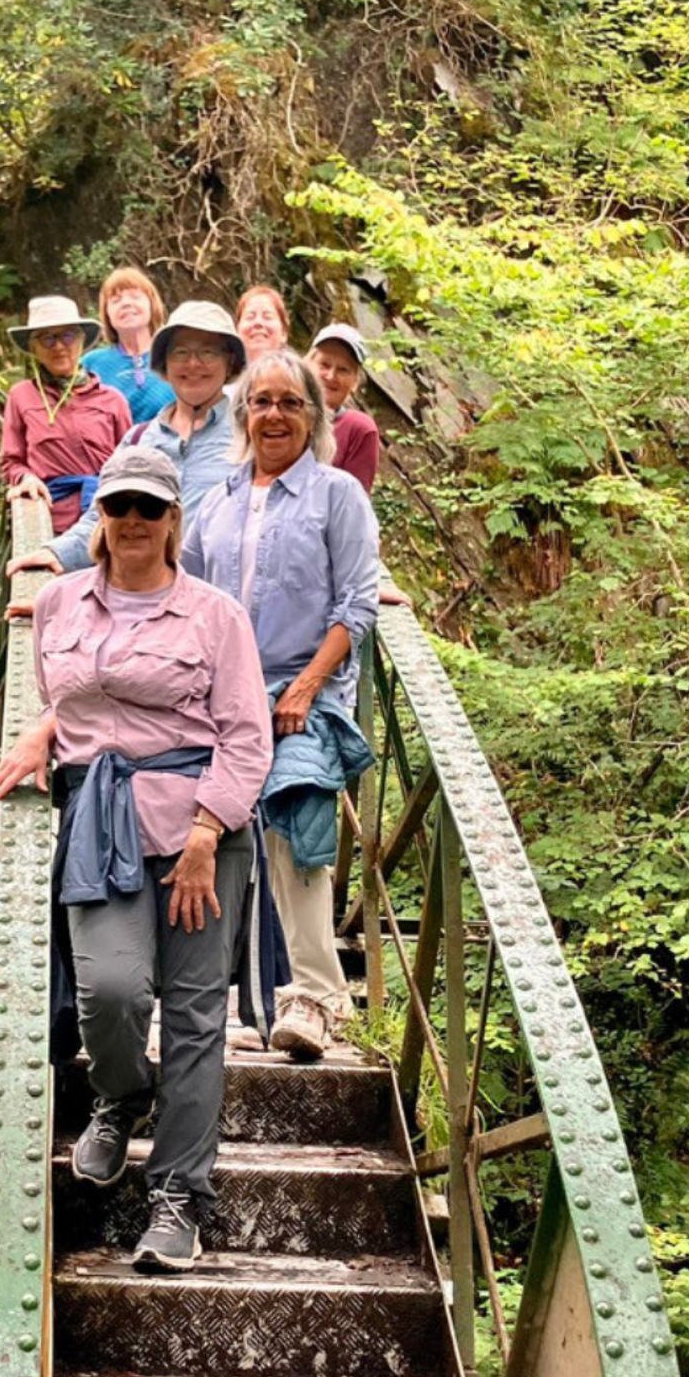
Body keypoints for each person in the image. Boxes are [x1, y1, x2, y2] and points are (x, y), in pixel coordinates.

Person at [0, 445, 275, 1273]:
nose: (133, 521)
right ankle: (121, 1091)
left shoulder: (216, 615)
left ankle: (179, 1198)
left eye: (150, 508)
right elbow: (73, 699)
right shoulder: (58, 603)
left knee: (193, 1019)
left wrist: (205, 832)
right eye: (119, 506)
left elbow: (248, 736)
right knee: (110, 991)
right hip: (102, 827)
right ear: (101, 516)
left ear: (173, 520)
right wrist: (45, 732)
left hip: (200, 831)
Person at [182, 348, 380, 1062]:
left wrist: (305, 687)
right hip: (224, 693)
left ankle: (319, 999)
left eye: (290, 403)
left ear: (314, 416)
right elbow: (186, 594)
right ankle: (231, 998)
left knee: (297, 826)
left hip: (304, 690)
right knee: (212, 827)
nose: (274, 415)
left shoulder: (337, 494)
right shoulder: (217, 501)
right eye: (262, 402)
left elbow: (357, 603)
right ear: (243, 415)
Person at [9, 301, 246, 579]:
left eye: (208, 352)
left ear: (230, 361)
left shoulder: (250, 437)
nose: (193, 364)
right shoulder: (139, 439)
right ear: (165, 363)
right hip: (147, 597)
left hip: (223, 597)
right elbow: (101, 515)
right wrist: (57, 553)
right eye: (181, 352)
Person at [0, 295, 133, 534]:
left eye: (68, 336)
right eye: (47, 338)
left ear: (81, 341)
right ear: (34, 348)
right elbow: (12, 461)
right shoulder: (21, 396)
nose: (59, 346)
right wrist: (26, 478)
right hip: (48, 517)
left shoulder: (113, 400)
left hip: (107, 516)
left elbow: (129, 462)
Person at [81, 267, 176, 428]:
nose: (126, 303)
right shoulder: (90, 364)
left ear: (152, 305)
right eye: (116, 300)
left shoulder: (177, 358)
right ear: (107, 314)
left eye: (135, 296)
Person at [306, 323, 381, 494]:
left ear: (355, 382)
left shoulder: (358, 429)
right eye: (324, 365)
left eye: (343, 370)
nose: (331, 376)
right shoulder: (280, 410)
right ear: (307, 366)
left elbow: (353, 501)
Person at [234, 285, 292, 368]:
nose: (258, 322)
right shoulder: (222, 374)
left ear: (284, 332)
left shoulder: (299, 374)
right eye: (250, 317)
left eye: (267, 317)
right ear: (237, 330)